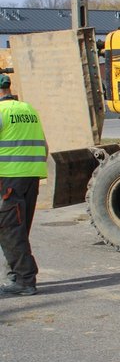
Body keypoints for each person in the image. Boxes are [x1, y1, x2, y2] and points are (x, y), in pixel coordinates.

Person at [0, 74, 47, 296]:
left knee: (10, 229)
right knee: (19, 228)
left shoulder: (1, 112)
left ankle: (25, 280)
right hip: (31, 177)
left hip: (8, 179)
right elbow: (44, 146)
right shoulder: (28, 110)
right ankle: (15, 275)